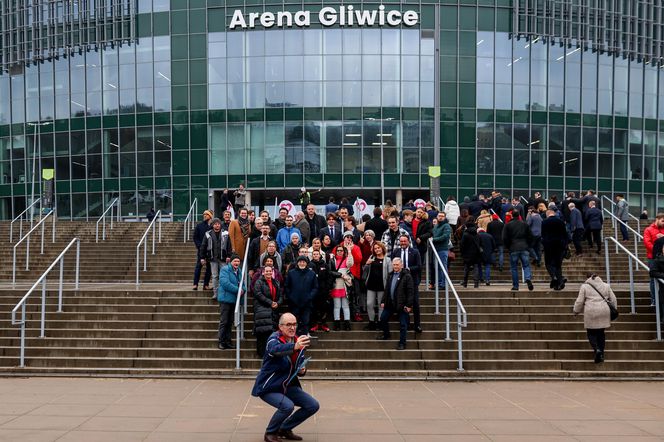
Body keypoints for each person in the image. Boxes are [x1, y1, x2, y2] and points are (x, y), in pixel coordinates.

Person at [251, 313, 318, 442]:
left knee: (312, 405)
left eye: (294, 324)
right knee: (287, 406)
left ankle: (284, 429)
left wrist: (302, 370)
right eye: (288, 325)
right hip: (269, 387)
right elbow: (275, 350)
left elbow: (299, 364)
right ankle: (270, 433)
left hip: (287, 385)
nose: (292, 327)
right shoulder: (273, 339)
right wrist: (294, 347)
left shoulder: (298, 340)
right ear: (280, 327)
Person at [573, 273, 618, 363]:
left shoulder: (584, 287)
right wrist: (614, 310)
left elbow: (580, 301)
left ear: (588, 278)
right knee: (601, 333)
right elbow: (613, 299)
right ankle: (601, 353)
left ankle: (597, 349)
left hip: (591, 312)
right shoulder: (606, 285)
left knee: (591, 333)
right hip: (603, 311)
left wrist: (576, 311)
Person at [377, 258, 414, 350]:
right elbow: (387, 290)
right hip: (390, 303)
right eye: (394, 265)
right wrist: (383, 301)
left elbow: (410, 291)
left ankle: (402, 343)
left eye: (397, 265)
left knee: (403, 324)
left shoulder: (407, 276)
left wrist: (409, 305)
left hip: (402, 304)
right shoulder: (390, 275)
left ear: (401, 265)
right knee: (383, 319)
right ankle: (386, 335)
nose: (395, 266)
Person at [391, 234, 422, 332]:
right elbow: (393, 265)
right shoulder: (396, 251)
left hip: (412, 280)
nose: (403, 243)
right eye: (401, 241)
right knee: (402, 303)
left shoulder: (415, 252)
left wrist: (408, 269)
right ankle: (406, 323)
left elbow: (419, 266)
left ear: (408, 241)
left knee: (415, 303)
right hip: (400, 281)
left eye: (405, 241)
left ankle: (417, 325)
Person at [199, 218, 233, 300]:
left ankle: (224, 293)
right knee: (214, 276)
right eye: (215, 224)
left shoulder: (225, 233)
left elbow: (229, 245)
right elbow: (203, 246)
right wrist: (202, 257)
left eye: (218, 224)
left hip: (223, 258)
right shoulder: (208, 234)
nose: (217, 225)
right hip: (212, 258)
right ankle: (215, 293)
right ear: (212, 225)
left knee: (224, 276)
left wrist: (229, 256)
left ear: (220, 225)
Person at [253, 265, 283, 357]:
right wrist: (270, 302)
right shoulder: (259, 282)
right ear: (263, 272)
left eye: (270, 271)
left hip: (273, 311)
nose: (268, 273)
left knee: (272, 333)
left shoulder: (276, 282)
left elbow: (280, 295)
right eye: (267, 271)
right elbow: (258, 294)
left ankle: (270, 353)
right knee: (262, 333)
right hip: (262, 310)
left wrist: (278, 303)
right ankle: (262, 354)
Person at [284, 256, 318, 337]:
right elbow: (287, 286)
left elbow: (315, 287)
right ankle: (293, 337)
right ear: (297, 262)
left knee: (305, 321)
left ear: (306, 263)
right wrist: (291, 296)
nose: (302, 263)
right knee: (294, 321)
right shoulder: (291, 273)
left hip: (307, 303)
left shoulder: (312, 273)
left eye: (304, 262)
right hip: (294, 302)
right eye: (300, 261)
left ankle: (304, 337)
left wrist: (310, 297)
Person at [217, 254, 245, 350]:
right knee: (224, 321)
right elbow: (225, 283)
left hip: (234, 300)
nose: (237, 263)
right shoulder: (225, 269)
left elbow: (242, 283)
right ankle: (221, 341)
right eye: (235, 261)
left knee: (230, 322)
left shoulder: (239, 271)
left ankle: (228, 341)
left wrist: (243, 289)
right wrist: (238, 289)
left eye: (238, 261)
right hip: (225, 299)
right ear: (231, 262)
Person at [363, 241, 392, 331]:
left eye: (378, 248)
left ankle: (380, 322)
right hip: (371, 285)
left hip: (382, 286)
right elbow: (364, 272)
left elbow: (390, 274)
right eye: (375, 248)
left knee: (381, 305)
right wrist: (367, 264)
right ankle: (371, 322)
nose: (377, 250)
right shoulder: (371, 257)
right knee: (369, 304)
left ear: (382, 248)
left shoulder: (387, 260)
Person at [503, 208, 534, 291]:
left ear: (512, 215)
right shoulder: (524, 224)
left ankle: (516, 286)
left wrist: (508, 246)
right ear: (519, 215)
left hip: (513, 247)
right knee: (526, 265)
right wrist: (528, 245)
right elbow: (530, 236)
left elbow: (505, 237)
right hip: (524, 247)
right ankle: (528, 278)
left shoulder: (508, 225)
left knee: (514, 268)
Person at [541, 209, 568, 290]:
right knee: (558, 265)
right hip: (559, 245)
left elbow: (543, 234)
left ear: (548, 214)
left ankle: (554, 277)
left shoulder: (544, 222)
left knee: (548, 263)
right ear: (554, 214)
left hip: (548, 245)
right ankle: (559, 282)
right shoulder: (560, 221)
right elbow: (565, 234)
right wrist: (565, 245)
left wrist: (544, 244)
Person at [328, 244, 354, 331]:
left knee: (345, 305)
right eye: (338, 250)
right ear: (335, 252)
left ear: (344, 252)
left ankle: (347, 323)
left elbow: (351, 263)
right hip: (336, 284)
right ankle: (337, 323)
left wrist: (349, 251)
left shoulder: (346, 259)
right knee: (337, 306)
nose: (340, 252)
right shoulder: (332, 260)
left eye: (341, 250)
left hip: (345, 285)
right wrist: (341, 275)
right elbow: (330, 271)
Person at [342, 231, 364, 322]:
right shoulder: (339, 247)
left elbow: (359, 259)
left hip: (354, 275)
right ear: (344, 238)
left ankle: (356, 313)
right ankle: (343, 313)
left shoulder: (356, 247)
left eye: (350, 237)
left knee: (356, 295)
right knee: (344, 296)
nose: (349, 239)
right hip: (343, 275)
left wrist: (351, 249)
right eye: (347, 237)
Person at [308, 249, 331, 333]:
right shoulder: (309, 265)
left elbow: (329, 277)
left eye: (317, 254)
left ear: (320, 255)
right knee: (314, 308)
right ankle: (315, 324)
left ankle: (323, 324)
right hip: (313, 291)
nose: (315, 255)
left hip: (323, 291)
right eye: (314, 254)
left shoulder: (325, 265)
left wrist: (327, 287)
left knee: (323, 308)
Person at [644, 213, 664, 306]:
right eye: (662, 221)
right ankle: (654, 300)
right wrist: (657, 251)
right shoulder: (648, 229)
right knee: (653, 279)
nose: (663, 223)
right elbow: (647, 243)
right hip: (653, 257)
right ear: (657, 219)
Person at [192, 210, 213, 291]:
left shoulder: (212, 226)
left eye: (206, 214)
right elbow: (195, 237)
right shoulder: (199, 226)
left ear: (210, 216)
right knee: (198, 267)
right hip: (201, 250)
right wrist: (199, 246)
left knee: (209, 269)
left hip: (210, 251)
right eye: (204, 214)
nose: (204, 216)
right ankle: (195, 284)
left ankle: (206, 285)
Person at [431, 211, 452, 289]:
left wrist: (434, 240)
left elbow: (445, 236)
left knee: (442, 267)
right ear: (437, 216)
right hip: (435, 249)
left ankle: (443, 284)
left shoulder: (446, 226)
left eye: (442, 216)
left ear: (445, 217)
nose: (440, 217)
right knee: (436, 267)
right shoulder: (436, 226)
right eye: (439, 216)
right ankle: (439, 284)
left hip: (442, 249)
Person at [459, 221, 482, 288]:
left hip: (467, 254)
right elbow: (480, 244)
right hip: (476, 254)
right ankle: (476, 284)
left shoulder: (465, 234)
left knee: (466, 268)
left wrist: (462, 253)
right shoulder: (477, 234)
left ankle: (465, 283)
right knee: (476, 268)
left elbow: (462, 245)